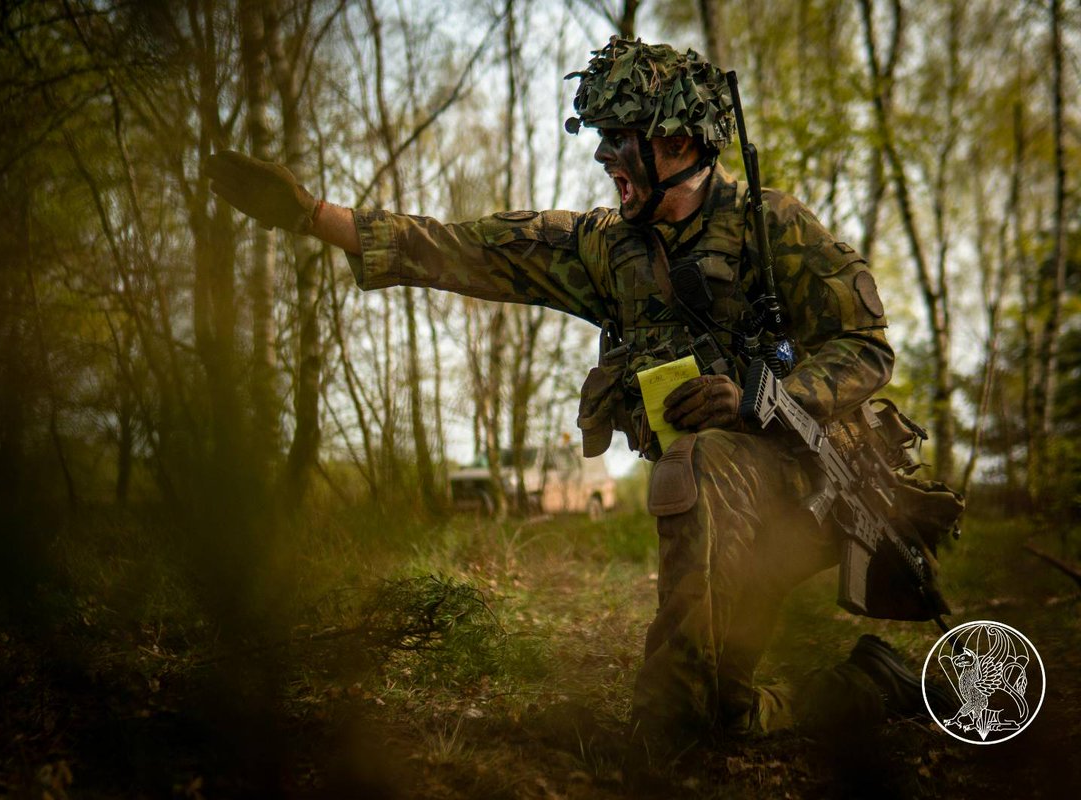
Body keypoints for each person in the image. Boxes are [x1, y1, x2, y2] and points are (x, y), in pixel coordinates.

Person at [204, 38, 948, 750]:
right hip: (720, 513)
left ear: (678, 145)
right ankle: (868, 687)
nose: (603, 155)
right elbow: (470, 249)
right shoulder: (605, 245)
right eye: (602, 138)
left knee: (699, 470)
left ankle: (662, 726)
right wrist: (309, 215)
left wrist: (764, 397)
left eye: (621, 138)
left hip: (803, 490)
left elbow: (866, 349)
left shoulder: (771, 224)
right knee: (722, 713)